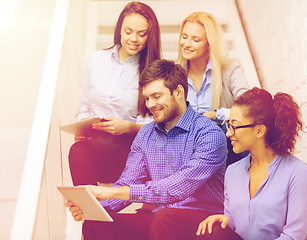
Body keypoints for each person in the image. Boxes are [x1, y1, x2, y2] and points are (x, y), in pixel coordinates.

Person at [65, 59, 228, 240]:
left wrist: (111, 192)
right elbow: (128, 181)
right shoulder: (146, 135)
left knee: (164, 217)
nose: (150, 104)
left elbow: (177, 188)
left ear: (179, 92)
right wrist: (93, 208)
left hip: (202, 221)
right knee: (96, 223)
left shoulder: (209, 133)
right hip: (160, 219)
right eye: (147, 98)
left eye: (156, 96)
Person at [196, 87, 307, 240]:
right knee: (210, 232)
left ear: (259, 130)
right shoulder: (232, 172)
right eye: (228, 124)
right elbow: (238, 226)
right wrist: (226, 222)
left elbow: (293, 236)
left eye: (234, 126)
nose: (228, 133)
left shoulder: (297, 172)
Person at [68, 1, 161, 186]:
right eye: (128, 31)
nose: (133, 39)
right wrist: (81, 129)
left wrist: (127, 127)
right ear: (119, 29)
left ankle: (97, 207)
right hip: (97, 145)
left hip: (132, 147)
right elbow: (84, 107)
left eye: (141, 34)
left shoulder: (154, 71)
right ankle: (91, 211)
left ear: (150, 36)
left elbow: (158, 124)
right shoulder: (97, 60)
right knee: (77, 150)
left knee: (106, 142)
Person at [177, 12, 250, 165]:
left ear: (209, 43)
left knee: (234, 134)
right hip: (186, 147)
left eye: (195, 39)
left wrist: (215, 115)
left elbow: (249, 109)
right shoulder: (174, 74)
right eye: (184, 37)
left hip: (223, 145)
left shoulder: (230, 69)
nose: (187, 44)